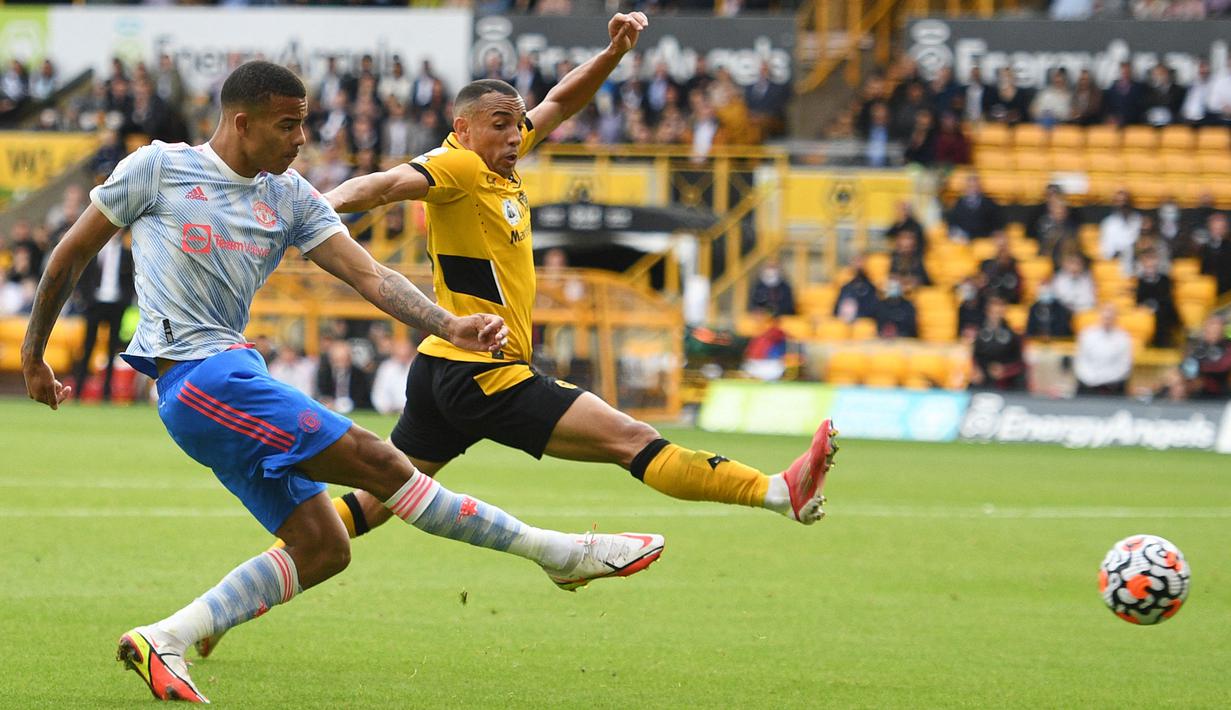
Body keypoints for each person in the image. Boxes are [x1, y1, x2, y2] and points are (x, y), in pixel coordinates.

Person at [21, 61, 664, 703]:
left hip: (233, 377)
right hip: (199, 377)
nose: (302, 138)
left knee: (325, 546)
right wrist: (34, 356)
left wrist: (450, 323)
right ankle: (557, 553)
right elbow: (71, 252)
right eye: (288, 125)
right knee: (379, 461)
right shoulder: (159, 168)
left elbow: (373, 277)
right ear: (242, 123)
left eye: (306, 123)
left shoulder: (289, 195)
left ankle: (168, 637)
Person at [203, 15, 835, 651]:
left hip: (441, 370)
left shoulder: (500, 162)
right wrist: (314, 208)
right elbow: (388, 184)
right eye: (499, 124)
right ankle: (778, 492)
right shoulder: (453, 166)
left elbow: (560, 101)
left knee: (377, 502)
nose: (514, 132)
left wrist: (612, 53)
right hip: (481, 370)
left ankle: (222, 609)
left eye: (516, 123)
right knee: (631, 439)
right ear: (462, 128)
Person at [70, 231, 134, 401]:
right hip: (95, 304)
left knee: (112, 348)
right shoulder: (94, 251)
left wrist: (125, 300)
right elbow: (83, 276)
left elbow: (131, 280)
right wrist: (87, 299)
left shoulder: (127, 253)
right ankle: (79, 389)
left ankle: (107, 392)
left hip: (116, 304)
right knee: (87, 346)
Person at [1073, 303, 1133, 395]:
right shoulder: (1087, 335)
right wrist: (1091, 379)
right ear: (1100, 316)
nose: (1107, 321)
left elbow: (1124, 365)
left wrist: (1105, 379)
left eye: (1110, 318)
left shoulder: (1123, 338)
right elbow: (1081, 362)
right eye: (1105, 317)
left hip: (1113, 384)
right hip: (1088, 382)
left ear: (1116, 318)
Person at [970, 296, 1026, 390]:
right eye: (993, 312)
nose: (995, 316)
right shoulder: (979, 333)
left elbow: (1019, 363)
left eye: (999, 313)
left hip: (1005, 379)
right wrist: (976, 370)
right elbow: (975, 356)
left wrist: (1004, 371)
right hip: (983, 376)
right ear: (987, 312)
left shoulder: (1012, 335)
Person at [371, 338, 415, 415]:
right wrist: (386, 408)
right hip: (390, 412)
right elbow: (379, 391)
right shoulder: (386, 367)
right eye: (400, 355)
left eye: (406, 356)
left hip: (413, 412)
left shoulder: (417, 367)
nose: (403, 359)